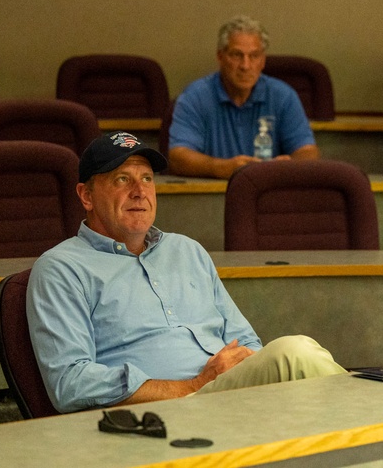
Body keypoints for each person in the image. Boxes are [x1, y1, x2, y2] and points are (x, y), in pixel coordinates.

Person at [27, 132, 345, 413]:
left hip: (232, 397)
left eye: (147, 178)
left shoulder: (186, 250)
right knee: (294, 354)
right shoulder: (61, 269)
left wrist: (247, 368)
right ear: (86, 196)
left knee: (306, 391)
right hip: (161, 414)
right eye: (122, 179)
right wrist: (196, 385)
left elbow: (245, 339)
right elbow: (70, 383)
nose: (139, 191)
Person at [168, 15, 320, 179]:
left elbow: (308, 152)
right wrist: (220, 168)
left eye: (254, 56)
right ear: (220, 57)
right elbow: (178, 156)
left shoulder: (283, 96)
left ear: (262, 61)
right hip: (211, 197)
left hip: (266, 194)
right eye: (236, 55)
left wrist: (290, 164)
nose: (245, 66)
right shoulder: (195, 97)